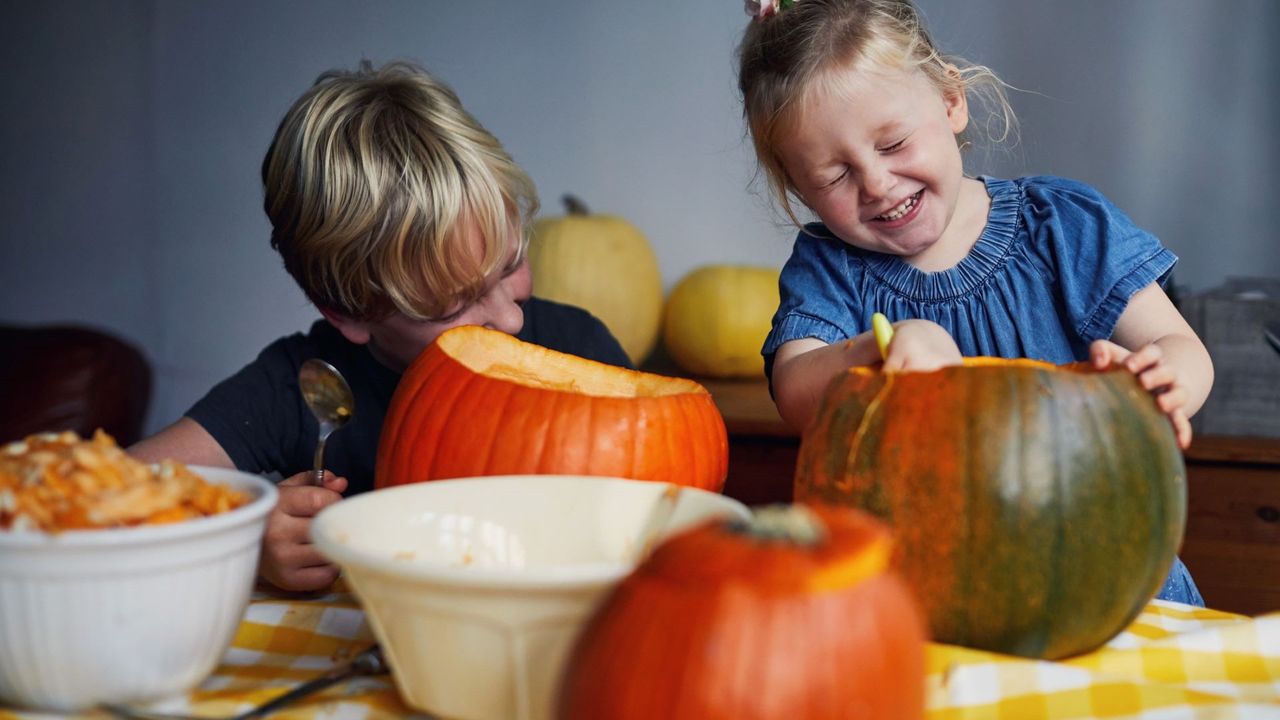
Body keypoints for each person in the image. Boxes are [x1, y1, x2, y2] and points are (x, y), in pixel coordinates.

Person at [736, 0, 1214, 605]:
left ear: (950, 101)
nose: (877, 185)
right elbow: (794, 390)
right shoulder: (831, 268)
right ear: (797, 186)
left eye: (893, 143)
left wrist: (1159, 381)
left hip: (1107, 571)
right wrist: (879, 348)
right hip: (935, 590)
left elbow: (1183, 349)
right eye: (834, 176)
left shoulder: (1061, 226)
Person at [130, 61, 631, 592]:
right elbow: (107, 502)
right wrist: (242, 539)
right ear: (348, 313)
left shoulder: (580, 348)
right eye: (452, 305)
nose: (510, 317)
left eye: (511, 265)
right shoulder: (305, 389)